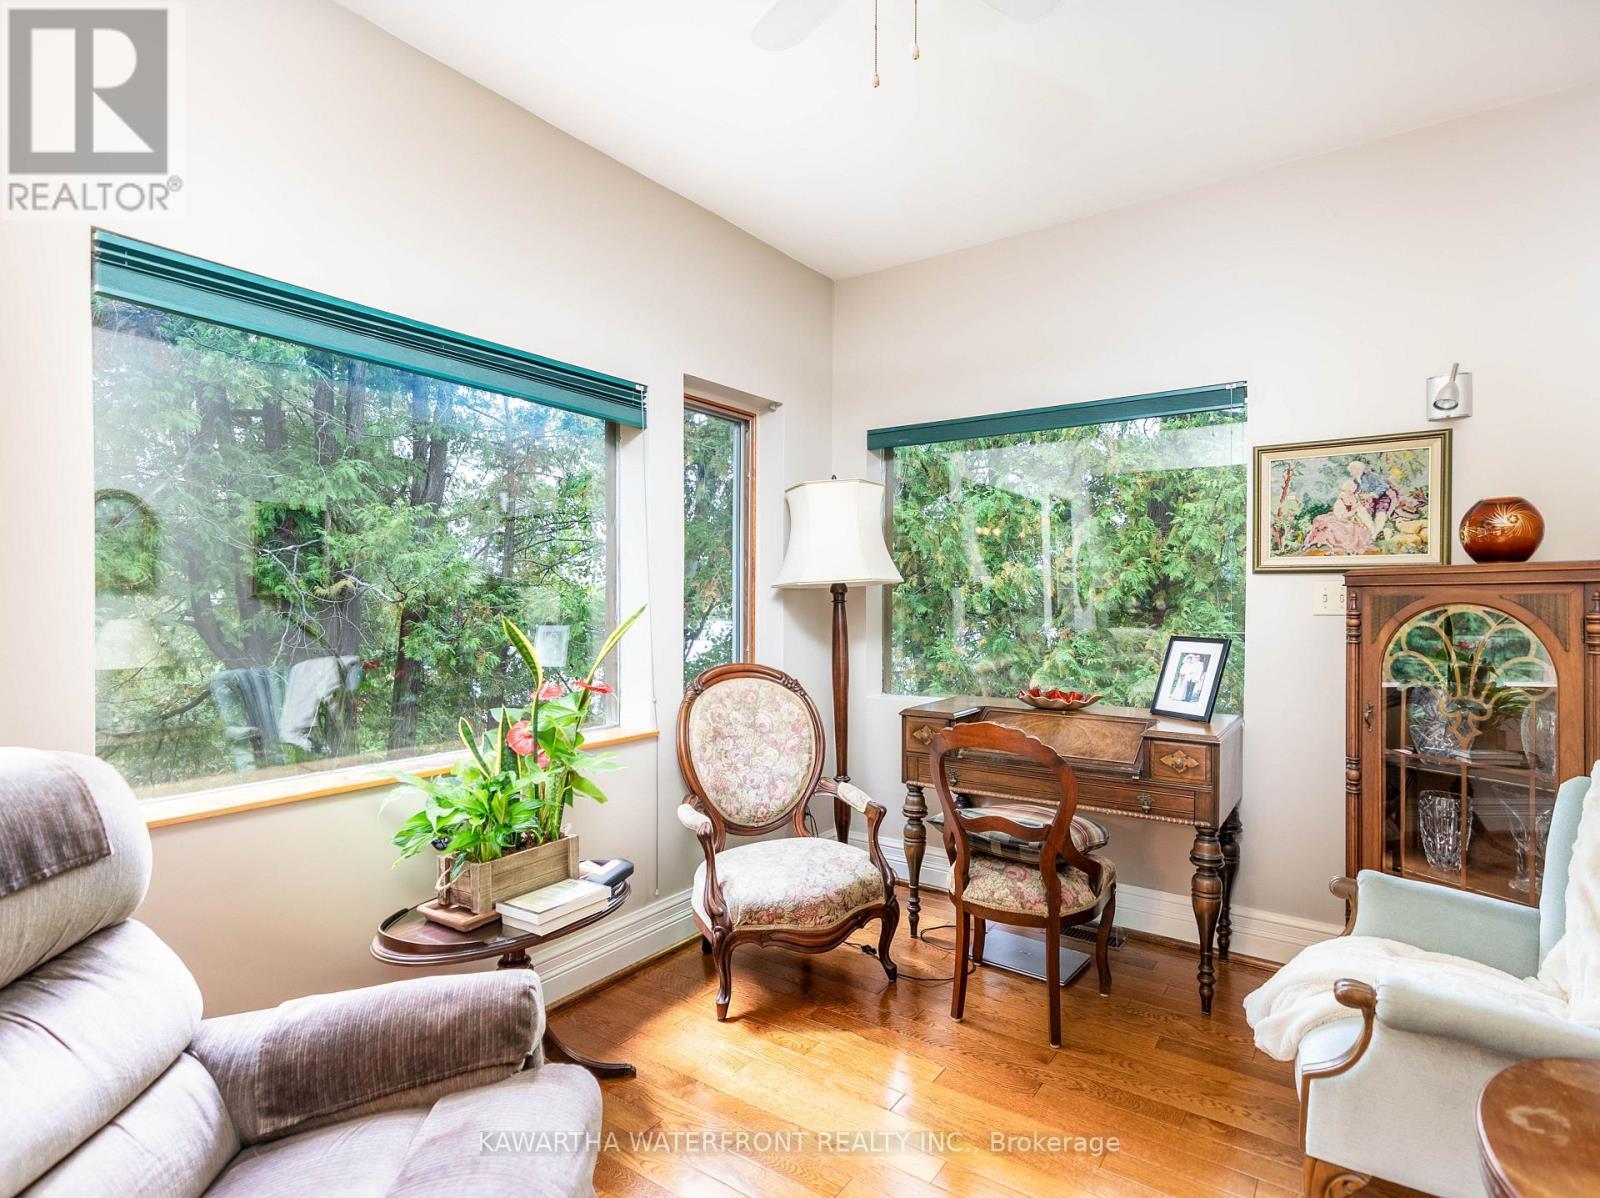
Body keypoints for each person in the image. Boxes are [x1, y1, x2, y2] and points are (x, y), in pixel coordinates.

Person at [1302, 479, 1374, 555]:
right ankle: (1324, 544)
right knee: (1333, 528)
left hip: (1351, 519)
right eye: (1349, 491)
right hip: (1340, 518)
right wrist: (1355, 511)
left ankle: (1350, 548)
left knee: (1360, 529)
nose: (1350, 494)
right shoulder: (1340, 500)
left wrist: (1357, 515)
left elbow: (1357, 509)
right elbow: (1342, 516)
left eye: (1352, 492)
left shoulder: (1353, 497)